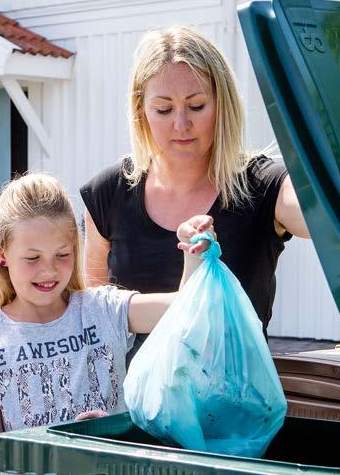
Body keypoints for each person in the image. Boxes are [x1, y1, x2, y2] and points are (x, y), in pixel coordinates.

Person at [80, 25, 310, 349]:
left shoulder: (263, 184)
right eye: (163, 109)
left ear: (222, 104)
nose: (181, 124)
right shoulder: (107, 193)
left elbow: (329, 221)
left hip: (239, 398)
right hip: (133, 400)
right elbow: (92, 320)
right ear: (140, 111)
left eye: (197, 105)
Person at [0, 173, 214, 468]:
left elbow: (184, 309)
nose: (49, 270)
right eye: (32, 258)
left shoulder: (102, 309)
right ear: (2, 254)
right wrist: (62, 454)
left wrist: (193, 254)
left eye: (62, 254)